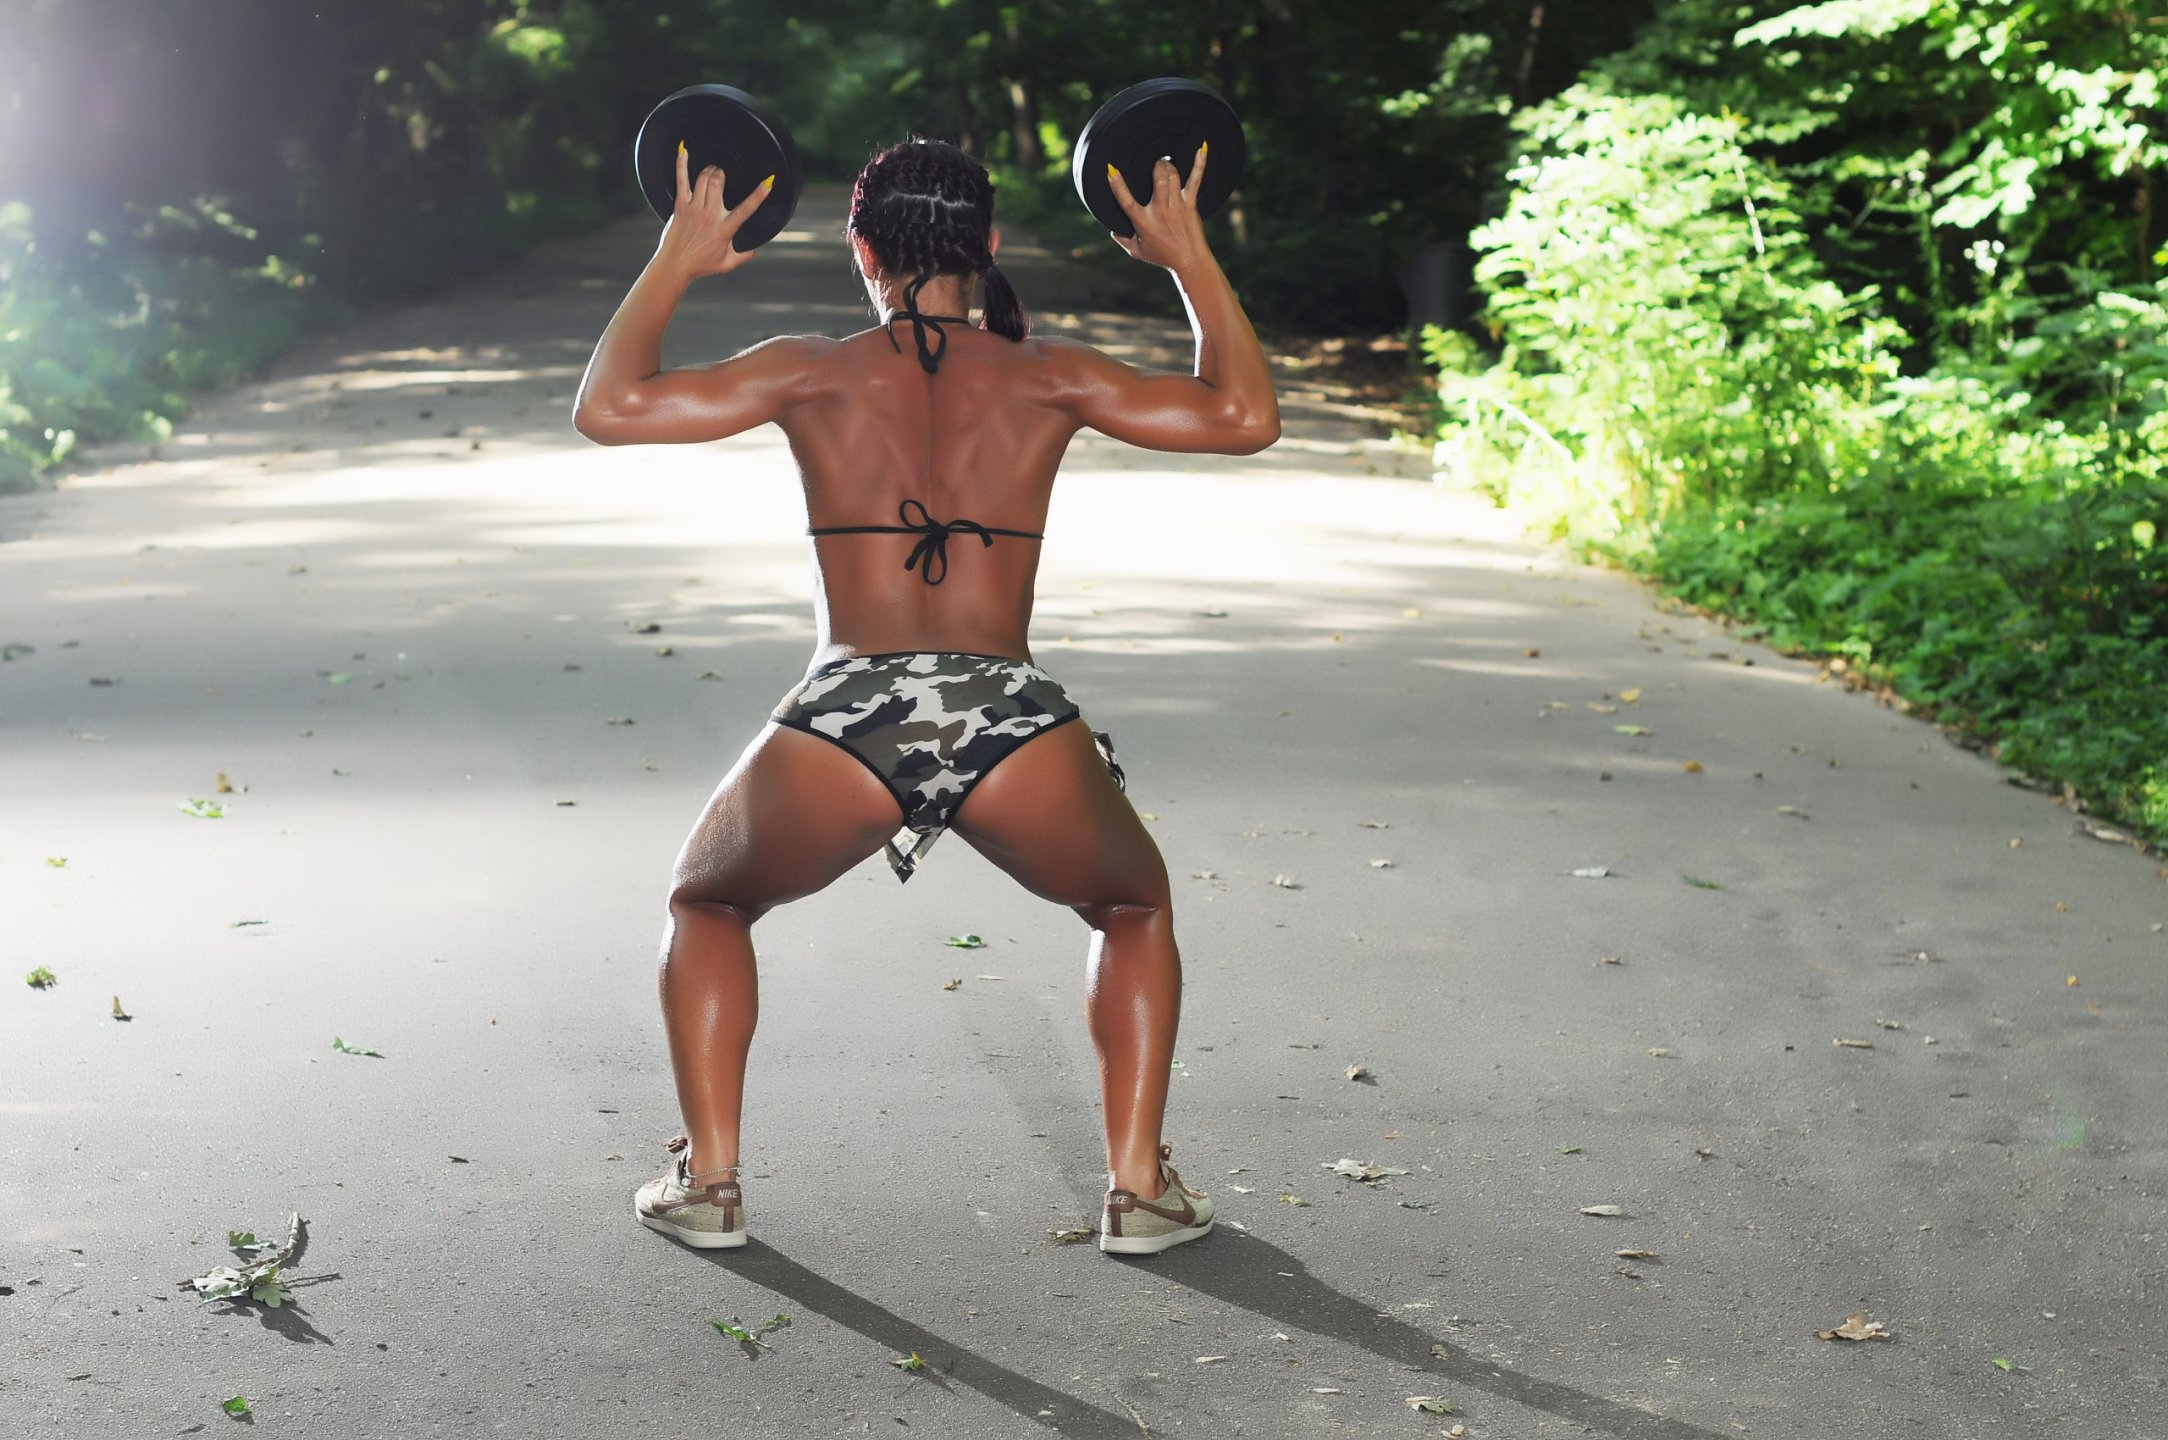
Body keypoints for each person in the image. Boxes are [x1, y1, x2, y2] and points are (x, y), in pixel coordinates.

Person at [572, 133, 1278, 1256]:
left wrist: (677, 257)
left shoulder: (809, 368)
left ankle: (708, 1183)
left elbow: (609, 408)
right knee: (1131, 906)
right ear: (986, 244)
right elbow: (1243, 417)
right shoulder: (1049, 373)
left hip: (850, 707)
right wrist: (1188, 257)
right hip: (1006, 711)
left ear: (861, 248)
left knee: (708, 903)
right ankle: (1140, 1193)